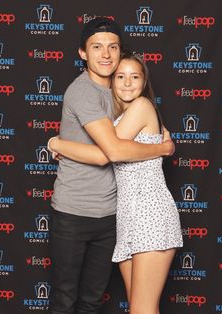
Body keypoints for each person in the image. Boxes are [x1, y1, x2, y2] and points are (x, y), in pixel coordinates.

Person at [48, 17, 175, 314]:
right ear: (83, 53)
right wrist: (162, 147)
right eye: (96, 47)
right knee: (65, 302)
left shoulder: (125, 98)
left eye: (112, 47)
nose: (105, 54)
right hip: (74, 212)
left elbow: (117, 147)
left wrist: (57, 143)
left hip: (115, 215)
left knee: (95, 303)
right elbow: (113, 151)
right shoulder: (83, 92)